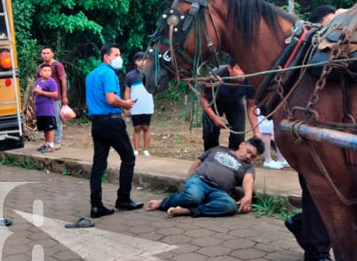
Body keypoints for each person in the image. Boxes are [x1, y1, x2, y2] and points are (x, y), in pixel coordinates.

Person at [283, 5, 340, 261]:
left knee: (322, 191)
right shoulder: (308, 57)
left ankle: (301, 224)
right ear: (316, 27)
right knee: (319, 189)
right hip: (307, 131)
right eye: (329, 24)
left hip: (322, 131)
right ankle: (316, 253)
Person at [85, 43, 143, 218]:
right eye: (116, 54)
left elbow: (91, 101)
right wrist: (125, 104)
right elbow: (110, 99)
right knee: (128, 158)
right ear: (106, 57)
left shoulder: (91, 75)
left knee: (99, 164)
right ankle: (123, 199)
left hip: (97, 123)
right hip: (112, 122)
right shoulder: (109, 73)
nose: (119, 58)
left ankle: (96, 205)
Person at [146, 137, 264, 218]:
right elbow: (198, 161)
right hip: (200, 180)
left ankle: (189, 211)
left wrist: (248, 196)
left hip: (219, 191)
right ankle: (162, 203)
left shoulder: (248, 167)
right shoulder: (218, 149)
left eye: (253, 156)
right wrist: (189, 179)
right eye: (248, 151)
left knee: (230, 206)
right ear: (242, 144)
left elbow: (248, 179)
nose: (249, 157)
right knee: (193, 196)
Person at [200, 59, 261, 151]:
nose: (242, 73)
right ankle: (210, 159)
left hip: (235, 103)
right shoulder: (216, 75)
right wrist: (214, 117)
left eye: (244, 69)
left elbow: (251, 106)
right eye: (238, 69)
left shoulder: (250, 80)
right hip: (214, 103)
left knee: (239, 135)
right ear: (230, 68)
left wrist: (256, 131)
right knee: (210, 134)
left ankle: (233, 159)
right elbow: (202, 97)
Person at [36, 47, 68, 149]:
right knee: (46, 121)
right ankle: (48, 143)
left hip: (55, 98)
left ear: (52, 54)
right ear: (41, 55)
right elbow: (38, 82)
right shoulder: (40, 67)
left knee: (56, 120)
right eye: (43, 53)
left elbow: (63, 80)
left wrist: (64, 96)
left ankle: (57, 141)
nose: (45, 55)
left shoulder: (57, 66)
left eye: (47, 53)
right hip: (44, 100)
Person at [124, 52, 154, 157]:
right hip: (135, 106)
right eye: (139, 60)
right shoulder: (130, 76)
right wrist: (126, 105)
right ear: (136, 62)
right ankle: (136, 150)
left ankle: (146, 150)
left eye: (143, 59)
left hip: (147, 105)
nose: (141, 62)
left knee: (146, 127)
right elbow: (127, 91)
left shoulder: (151, 74)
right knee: (137, 128)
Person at [33, 64, 59, 153]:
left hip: (48, 109)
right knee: (44, 127)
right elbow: (36, 91)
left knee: (50, 127)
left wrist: (42, 92)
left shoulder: (51, 82)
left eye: (49, 71)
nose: (48, 73)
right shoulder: (39, 81)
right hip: (40, 109)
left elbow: (55, 94)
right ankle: (47, 143)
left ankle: (51, 145)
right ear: (40, 72)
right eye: (45, 71)